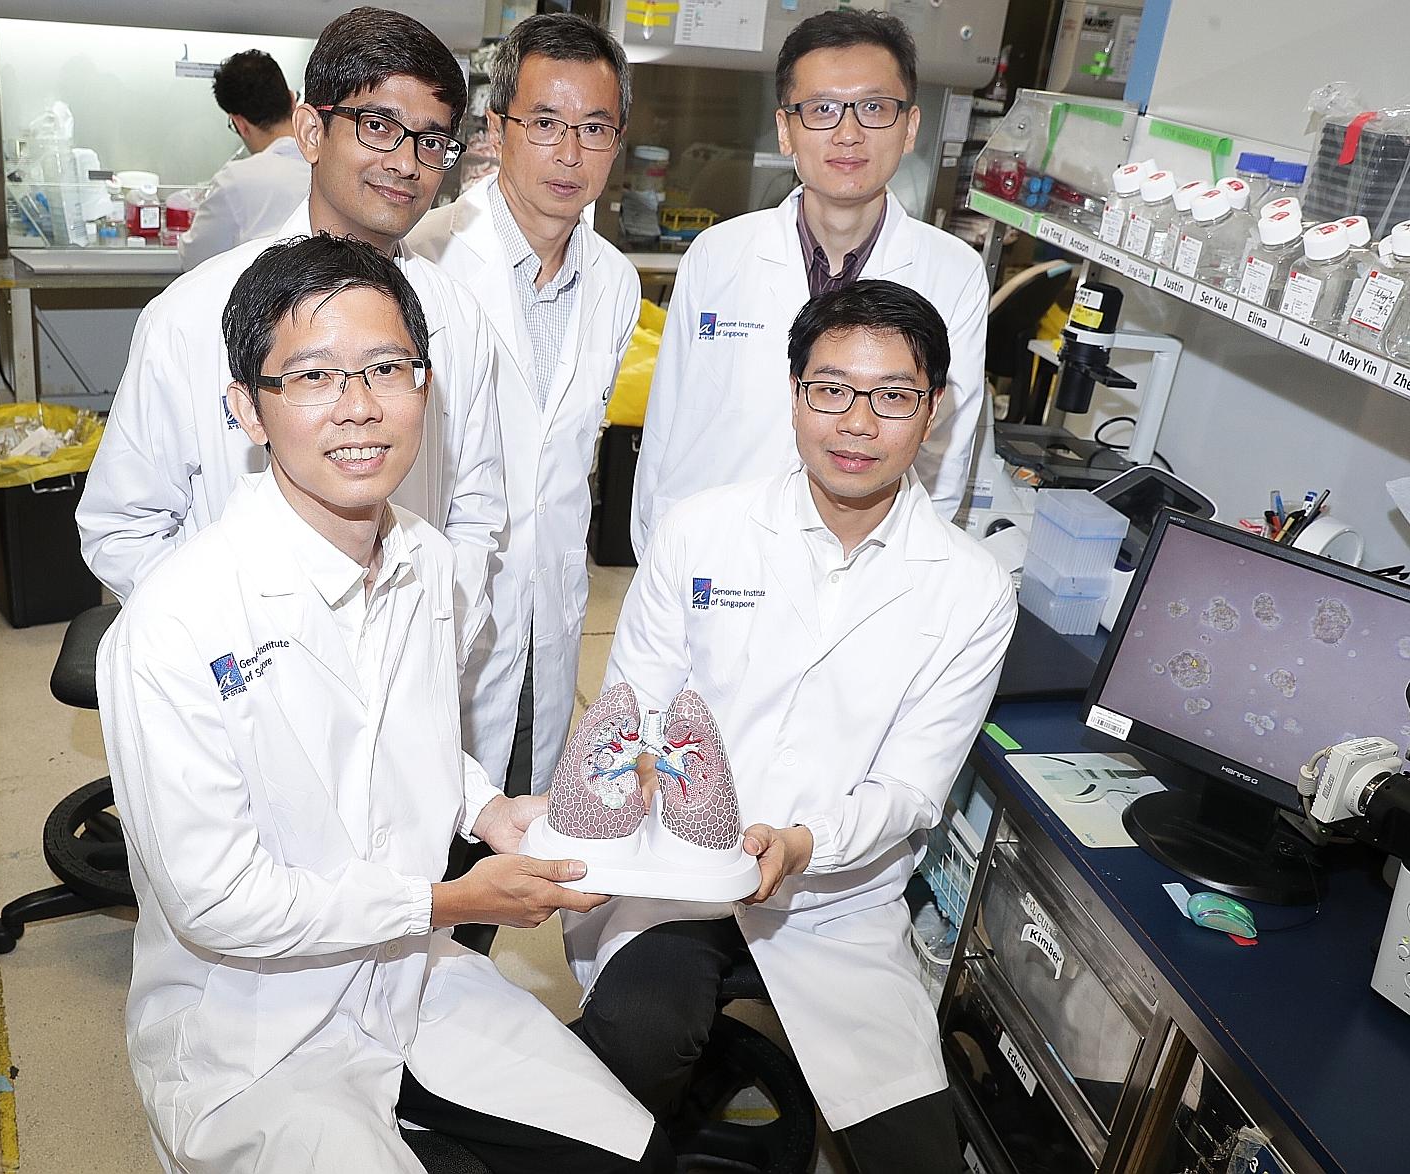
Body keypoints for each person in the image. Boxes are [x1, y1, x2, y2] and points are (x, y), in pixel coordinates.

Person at [98, 233, 670, 1174]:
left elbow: (405, 744)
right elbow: (218, 902)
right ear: (246, 409)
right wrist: (449, 896)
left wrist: (485, 806)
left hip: (409, 981)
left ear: (425, 383)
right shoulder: (175, 625)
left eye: (385, 368)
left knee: (626, 1153)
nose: (359, 408)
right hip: (250, 1033)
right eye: (312, 377)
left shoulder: (427, 564)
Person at [568, 280, 1017, 1174]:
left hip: (834, 900)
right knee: (626, 1058)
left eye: (893, 396)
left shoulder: (971, 589)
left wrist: (808, 843)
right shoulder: (702, 534)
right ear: (794, 395)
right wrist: (642, 786)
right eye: (831, 389)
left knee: (916, 1158)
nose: (857, 422)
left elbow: (910, 791)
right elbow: (636, 713)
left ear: (932, 413)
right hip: (678, 872)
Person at [79, 6, 508, 669]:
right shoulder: (192, 315)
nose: (406, 162)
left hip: (404, 663)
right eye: (378, 125)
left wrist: (438, 631)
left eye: (431, 140)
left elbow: (476, 507)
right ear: (311, 129)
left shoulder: (459, 319)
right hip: (245, 672)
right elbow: (122, 525)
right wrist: (236, 642)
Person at [628, 10, 988, 558]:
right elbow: (667, 425)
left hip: (861, 559)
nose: (848, 133)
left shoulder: (953, 272)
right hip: (714, 553)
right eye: (821, 109)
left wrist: (910, 573)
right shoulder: (718, 254)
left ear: (909, 126)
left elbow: (943, 454)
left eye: (873, 108)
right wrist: (655, 551)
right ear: (785, 129)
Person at [407, 13, 640, 806]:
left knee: (519, 819)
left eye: (594, 127)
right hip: (436, 603)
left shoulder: (616, 282)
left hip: (549, 604)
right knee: (426, 835)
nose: (570, 153)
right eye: (544, 123)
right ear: (497, 128)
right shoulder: (425, 258)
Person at [177, 49, 311, 269]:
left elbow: (194, 259)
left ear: (240, 123)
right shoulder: (327, 166)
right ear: (292, 99)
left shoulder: (235, 181)